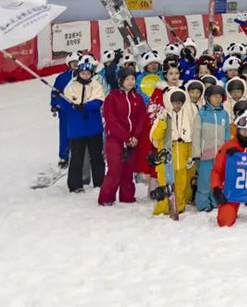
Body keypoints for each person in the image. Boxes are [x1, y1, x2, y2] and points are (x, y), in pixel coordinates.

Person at [212, 110, 247, 226]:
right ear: (238, 129)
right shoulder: (228, 147)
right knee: (224, 221)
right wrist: (216, 188)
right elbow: (217, 170)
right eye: (243, 130)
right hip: (234, 187)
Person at [56, 58, 106, 193]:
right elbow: (66, 104)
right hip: (77, 128)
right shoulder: (71, 86)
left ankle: (100, 182)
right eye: (83, 73)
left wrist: (85, 106)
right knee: (77, 157)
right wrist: (61, 100)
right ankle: (75, 185)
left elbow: (98, 101)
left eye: (88, 73)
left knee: (96, 156)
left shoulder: (96, 85)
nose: (85, 76)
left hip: (93, 127)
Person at [98, 67, 144, 205]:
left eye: (133, 79)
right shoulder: (112, 97)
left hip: (133, 140)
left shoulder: (137, 98)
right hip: (116, 139)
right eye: (127, 79)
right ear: (120, 81)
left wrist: (135, 136)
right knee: (115, 169)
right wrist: (126, 137)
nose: (130, 82)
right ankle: (106, 198)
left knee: (128, 170)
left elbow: (142, 118)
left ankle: (127, 196)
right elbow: (111, 120)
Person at [150, 88, 194, 215]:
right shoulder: (163, 116)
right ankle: (163, 207)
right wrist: (162, 123)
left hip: (181, 155)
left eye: (179, 102)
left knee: (180, 183)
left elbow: (190, 138)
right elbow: (155, 137)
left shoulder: (187, 116)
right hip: (166, 155)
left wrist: (190, 156)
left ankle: (178, 206)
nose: (176, 105)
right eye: (174, 102)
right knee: (165, 183)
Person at [191, 84, 230, 211]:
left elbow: (227, 134)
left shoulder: (224, 114)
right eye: (215, 97)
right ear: (208, 98)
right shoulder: (202, 114)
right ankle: (203, 204)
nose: (218, 99)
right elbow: (196, 134)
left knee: (217, 180)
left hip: (219, 154)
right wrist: (196, 153)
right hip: (205, 154)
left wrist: (227, 151)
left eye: (220, 97)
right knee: (204, 180)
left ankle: (215, 201)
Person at [51, 51, 81, 168]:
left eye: (77, 62)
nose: (75, 64)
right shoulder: (62, 77)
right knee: (65, 133)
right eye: (73, 62)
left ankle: (80, 155)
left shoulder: (85, 75)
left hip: (79, 110)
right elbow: (55, 92)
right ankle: (64, 156)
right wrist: (54, 104)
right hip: (65, 110)